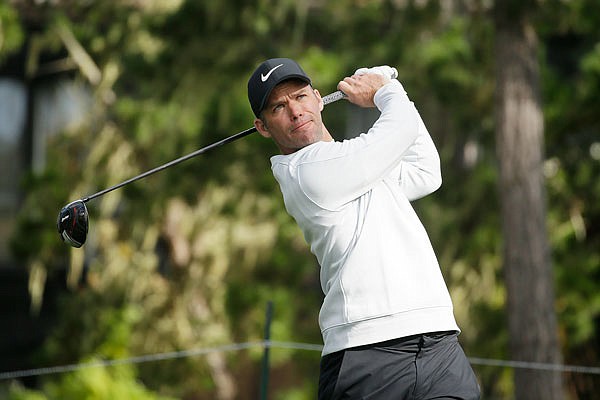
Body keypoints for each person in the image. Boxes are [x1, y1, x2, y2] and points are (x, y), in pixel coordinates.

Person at [247, 58, 480, 400]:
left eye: (299, 97)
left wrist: (390, 90)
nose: (295, 111)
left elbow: (425, 171)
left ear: (317, 97)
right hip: (366, 355)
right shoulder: (306, 172)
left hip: (437, 344)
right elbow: (397, 131)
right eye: (279, 107)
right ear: (263, 127)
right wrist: (385, 90)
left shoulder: (353, 162)